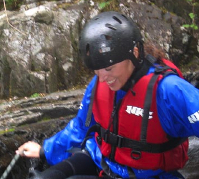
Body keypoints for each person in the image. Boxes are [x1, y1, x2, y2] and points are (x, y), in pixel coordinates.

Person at [16, 11, 199, 179]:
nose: (102, 78)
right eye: (96, 70)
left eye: (109, 68)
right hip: (101, 162)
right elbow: (81, 128)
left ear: (134, 53)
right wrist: (44, 150)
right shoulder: (99, 84)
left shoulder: (169, 89)